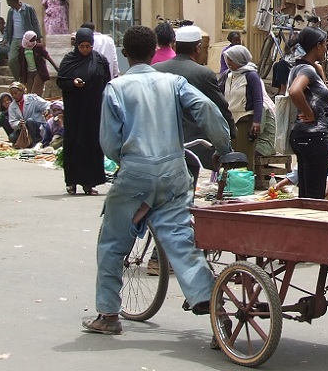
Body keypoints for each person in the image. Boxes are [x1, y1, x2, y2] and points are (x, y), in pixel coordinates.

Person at [82, 25, 231, 336]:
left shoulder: (117, 88)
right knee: (180, 240)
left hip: (135, 174)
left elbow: (109, 143)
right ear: (156, 52)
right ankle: (208, 299)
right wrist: (223, 147)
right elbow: (205, 109)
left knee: (112, 244)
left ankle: (108, 315)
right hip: (175, 172)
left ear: (125, 54)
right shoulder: (173, 83)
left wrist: (125, 161)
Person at [155, 25, 236, 181]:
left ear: (174, 45)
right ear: (198, 48)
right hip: (194, 147)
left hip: (160, 145)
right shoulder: (203, 73)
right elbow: (219, 107)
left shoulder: (155, 70)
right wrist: (230, 135)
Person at [57, 28, 111, 195]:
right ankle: (72, 181)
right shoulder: (69, 60)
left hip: (94, 110)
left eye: (88, 46)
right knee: (74, 144)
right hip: (75, 110)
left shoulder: (100, 61)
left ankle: (89, 183)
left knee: (92, 145)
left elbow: (107, 82)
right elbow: (61, 81)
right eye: (82, 46)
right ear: (77, 45)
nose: (86, 49)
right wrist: (73, 83)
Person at [288, 27, 328, 199]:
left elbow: (315, 93)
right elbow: (294, 91)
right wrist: (310, 112)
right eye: (325, 45)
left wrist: (320, 73)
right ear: (318, 46)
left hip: (303, 136)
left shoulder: (300, 67)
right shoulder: (306, 70)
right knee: (315, 195)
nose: (326, 49)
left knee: (306, 193)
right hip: (313, 136)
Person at [222, 44, 275, 179]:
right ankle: (232, 183)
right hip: (231, 119)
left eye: (231, 60)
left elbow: (258, 100)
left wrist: (256, 122)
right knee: (232, 154)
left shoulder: (251, 76)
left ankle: (244, 183)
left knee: (244, 155)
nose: (229, 63)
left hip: (246, 119)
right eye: (227, 60)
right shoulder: (228, 76)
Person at [4, 0, 43, 81]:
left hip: (26, 39)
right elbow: (8, 26)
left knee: (28, 60)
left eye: (9, 3)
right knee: (12, 60)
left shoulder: (28, 9)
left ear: (14, 2)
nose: (8, 5)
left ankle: (29, 79)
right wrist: (5, 38)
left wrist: (38, 37)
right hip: (14, 38)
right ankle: (18, 80)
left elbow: (35, 23)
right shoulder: (10, 11)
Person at [7, 81, 49, 147]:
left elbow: (46, 104)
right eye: (12, 94)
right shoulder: (12, 106)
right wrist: (19, 123)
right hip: (24, 129)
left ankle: (36, 142)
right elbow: (12, 122)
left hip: (37, 126)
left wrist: (47, 110)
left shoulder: (32, 98)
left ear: (21, 91)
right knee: (12, 137)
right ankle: (28, 142)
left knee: (30, 121)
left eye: (16, 93)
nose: (14, 96)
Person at [18, 30, 59, 96]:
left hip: (39, 72)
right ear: (27, 39)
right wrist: (21, 77)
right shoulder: (22, 49)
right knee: (28, 95)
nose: (33, 42)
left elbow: (47, 57)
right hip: (29, 73)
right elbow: (21, 63)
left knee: (35, 94)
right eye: (32, 40)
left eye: (34, 40)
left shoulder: (38, 47)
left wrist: (56, 68)